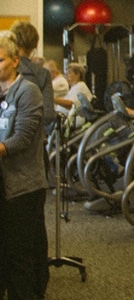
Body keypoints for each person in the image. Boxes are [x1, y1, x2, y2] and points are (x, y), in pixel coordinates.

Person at [0, 30, 49, 300]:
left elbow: (21, 139)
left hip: (23, 187)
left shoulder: (27, 91)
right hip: (3, 185)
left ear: (15, 60)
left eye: (0, 61)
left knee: (23, 256)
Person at [9, 21, 55, 133]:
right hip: (34, 141)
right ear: (34, 45)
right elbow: (48, 115)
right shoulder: (43, 74)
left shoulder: (6, 70)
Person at [53, 63, 94, 127]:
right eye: (66, 72)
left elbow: (71, 105)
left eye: (69, 72)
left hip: (75, 119)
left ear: (78, 74)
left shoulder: (80, 86)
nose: (66, 75)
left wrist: (53, 99)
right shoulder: (74, 87)